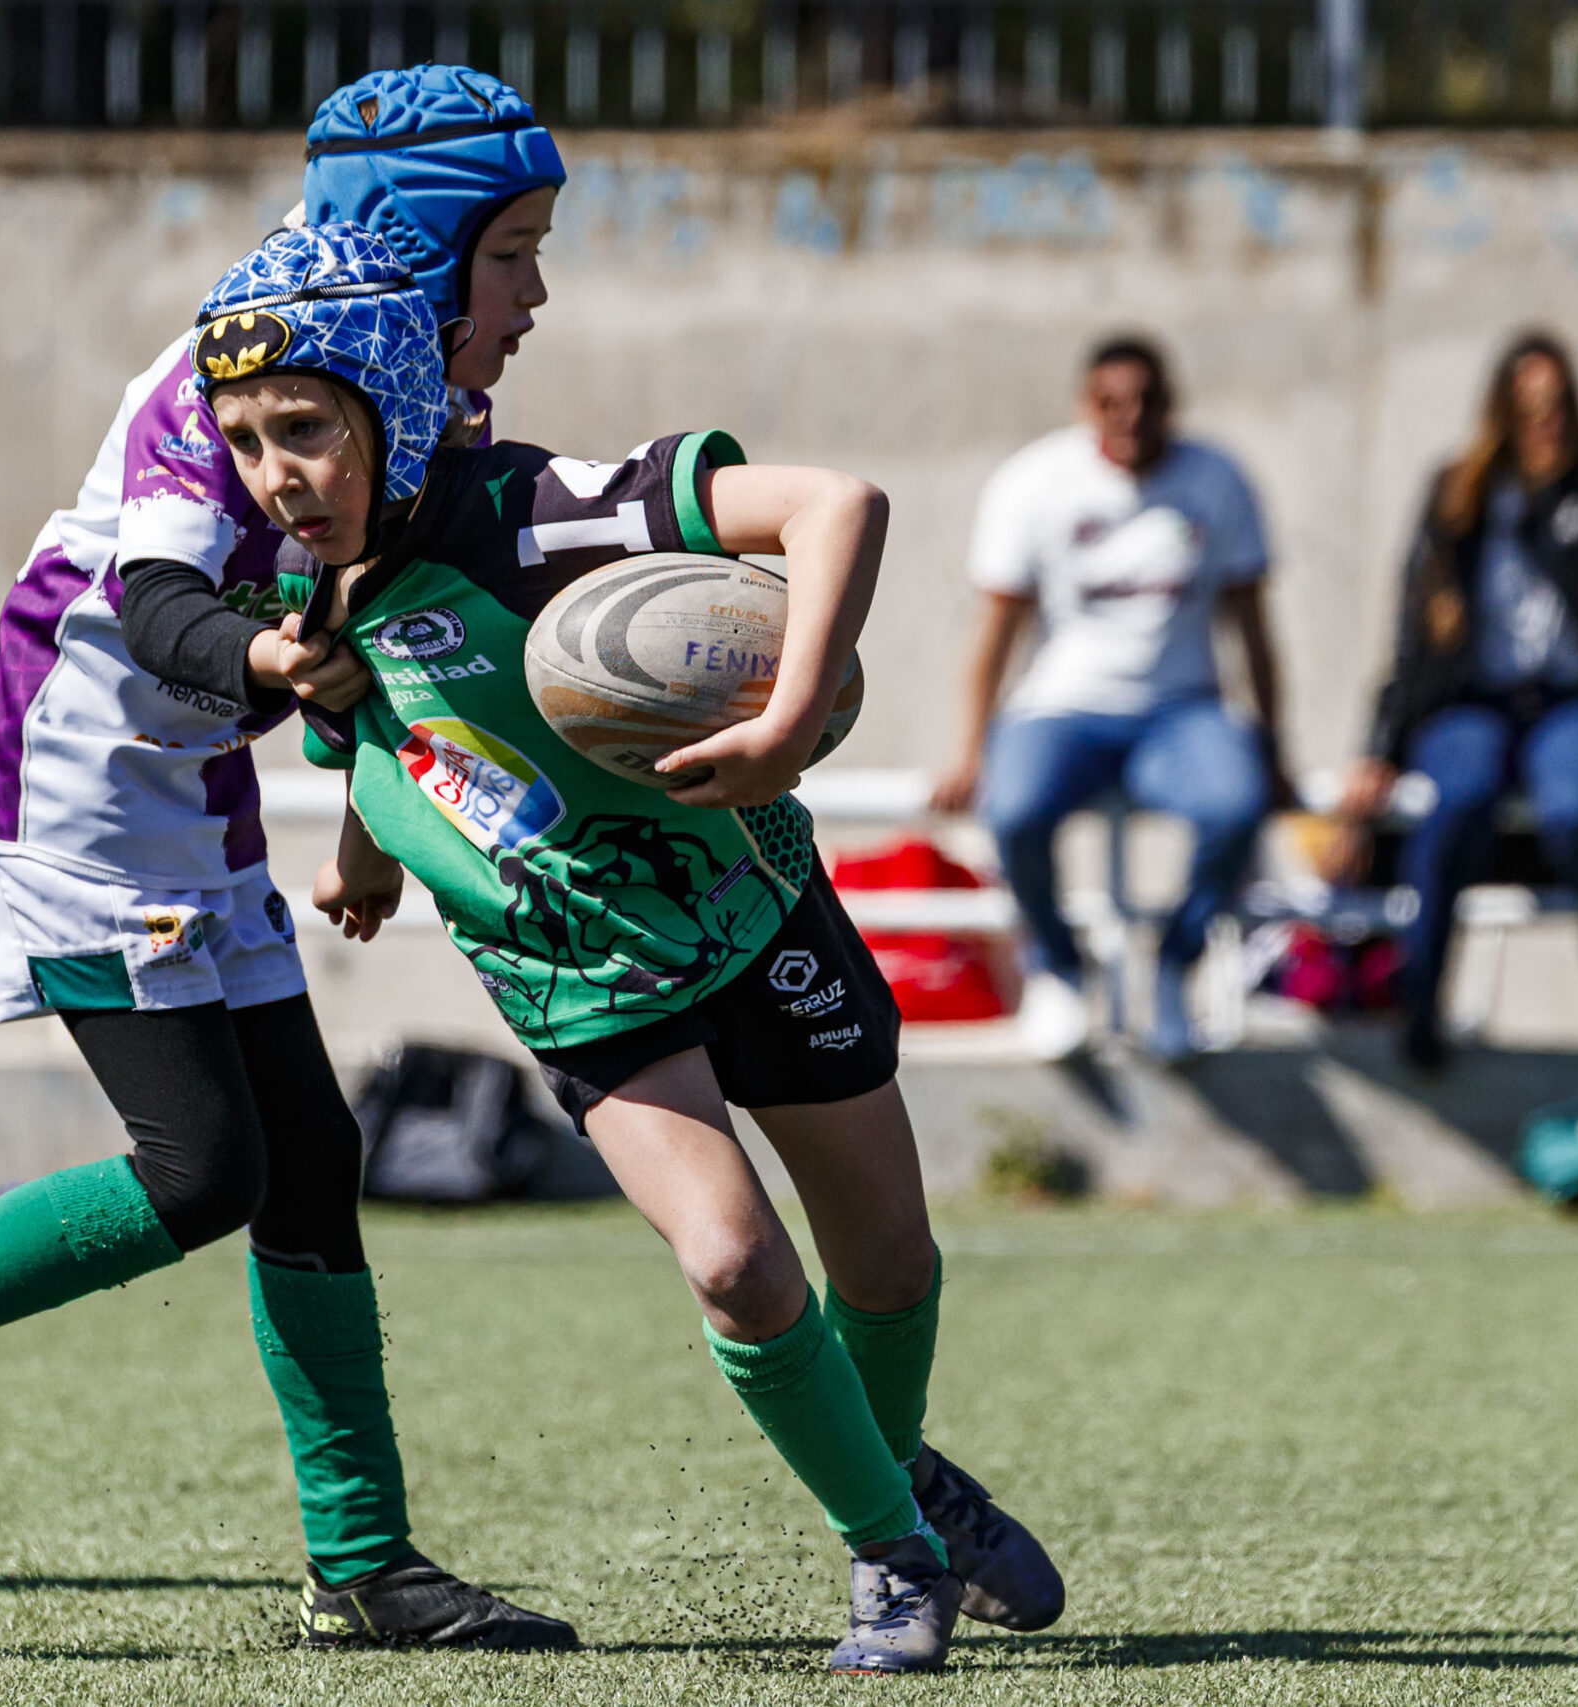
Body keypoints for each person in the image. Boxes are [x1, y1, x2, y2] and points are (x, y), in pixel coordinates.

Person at [0, 66, 574, 1650]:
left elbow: (360, 624)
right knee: (206, 1170)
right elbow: (169, 612)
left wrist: (349, 812)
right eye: (511, 249)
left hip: (193, 789)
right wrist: (273, 677)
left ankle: (364, 1563)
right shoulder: (221, 375)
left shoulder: (425, 393)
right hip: (71, 786)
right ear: (425, 237)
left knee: (311, 1159)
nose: (534, 289)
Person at [197, 222, 1063, 1676]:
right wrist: (362, 867)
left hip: (753, 919)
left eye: (305, 429)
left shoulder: (542, 512)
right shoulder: (317, 596)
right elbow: (375, 738)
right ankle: (893, 1546)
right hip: (577, 982)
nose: (277, 472)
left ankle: (896, 1466)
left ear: (395, 405)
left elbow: (839, 501)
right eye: (244, 441)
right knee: (732, 1260)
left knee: (889, 1262)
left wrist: (787, 721)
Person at [931, 336, 1285, 1063]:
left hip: (1181, 707)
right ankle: (1060, 968)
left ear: (1171, 403)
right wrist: (969, 747)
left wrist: (1275, 741)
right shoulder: (1034, 481)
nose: (1130, 417)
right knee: (1015, 808)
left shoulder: (1217, 479)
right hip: (1062, 707)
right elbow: (996, 631)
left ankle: (1173, 965)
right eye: (1110, 402)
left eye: (1146, 400)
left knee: (1236, 803)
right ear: (1084, 406)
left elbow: (1252, 628)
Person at [1335, 332, 1578, 1071]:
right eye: (1528, 411)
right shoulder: (1458, 491)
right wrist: (1379, 746)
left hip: (1574, 702)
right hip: (1473, 701)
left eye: (1557, 409)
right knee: (1455, 798)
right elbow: (1411, 637)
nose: (1544, 425)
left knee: (1575, 809)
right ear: (1501, 412)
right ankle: (1421, 1003)